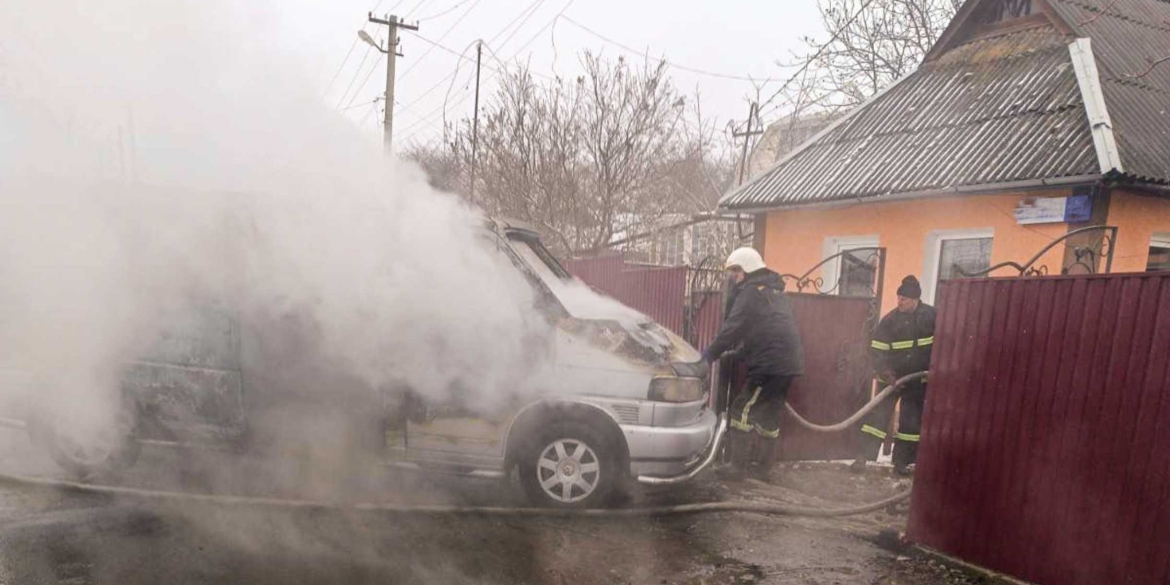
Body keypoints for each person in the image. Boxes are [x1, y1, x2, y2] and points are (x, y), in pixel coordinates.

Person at [701, 247, 804, 481]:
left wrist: (708, 356)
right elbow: (768, 329)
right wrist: (742, 353)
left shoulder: (750, 293)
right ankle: (764, 469)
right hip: (788, 363)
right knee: (770, 414)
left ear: (747, 270)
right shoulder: (775, 293)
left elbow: (732, 328)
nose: (734, 278)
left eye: (736, 272)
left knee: (742, 410)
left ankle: (737, 468)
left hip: (769, 365)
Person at [852, 275, 935, 476]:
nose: (899, 302)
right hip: (890, 378)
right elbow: (878, 350)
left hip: (917, 380)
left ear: (916, 300)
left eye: (904, 299)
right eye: (898, 297)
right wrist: (886, 373)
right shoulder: (889, 321)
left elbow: (941, 344)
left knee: (911, 422)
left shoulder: (931, 317)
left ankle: (902, 463)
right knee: (877, 418)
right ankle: (863, 457)